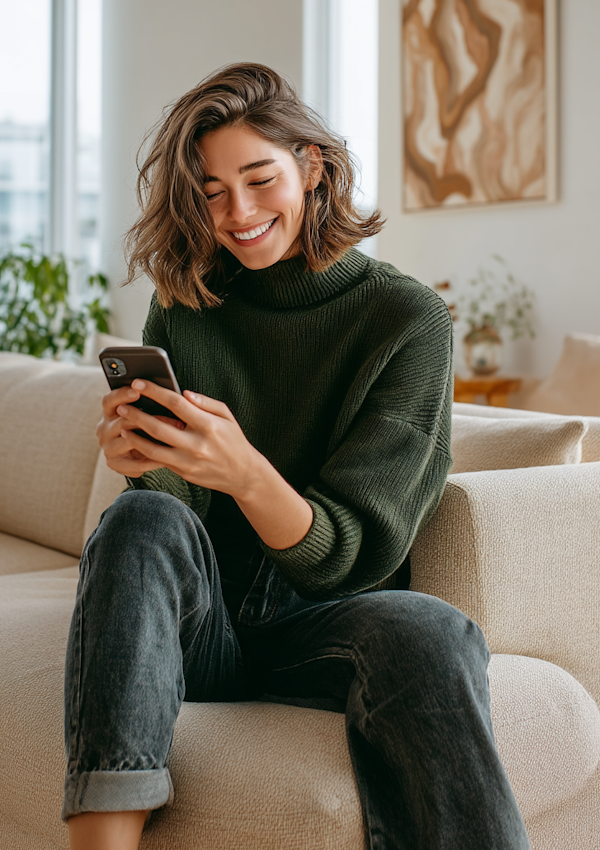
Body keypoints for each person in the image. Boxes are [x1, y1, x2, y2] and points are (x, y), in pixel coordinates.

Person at [62, 63, 531, 850]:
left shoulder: (406, 320)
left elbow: (347, 557)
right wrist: (147, 458)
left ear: (311, 167)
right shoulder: (187, 307)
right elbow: (172, 517)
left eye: (258, 180)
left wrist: (244, 470)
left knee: (432, 630)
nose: (237, 214)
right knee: (138, 517)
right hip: (200, 626)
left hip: (325, 628)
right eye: (211, 192)